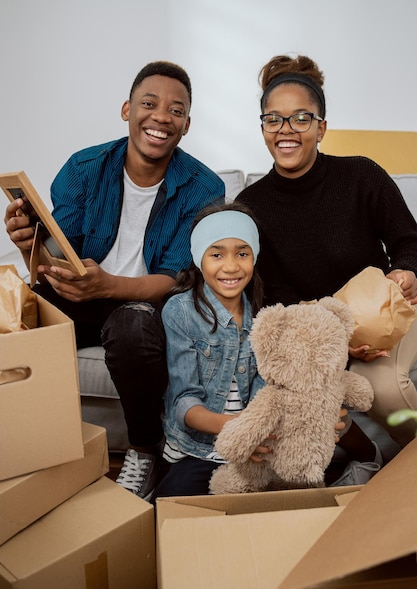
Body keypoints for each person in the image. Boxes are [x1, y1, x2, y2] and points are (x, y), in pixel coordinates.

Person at [4, 61, 225, 501]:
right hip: (81, 292)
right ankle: (22, 441)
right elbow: (58, 248)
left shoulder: (204, 187)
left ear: (186, 125)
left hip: (148, 307)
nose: (161, 116)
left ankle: (144, 451)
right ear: (127, 110)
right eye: (149, 103)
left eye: (175, 110)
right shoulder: (84, 168)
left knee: (131, 323)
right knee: (12, 308)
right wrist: (30, 240)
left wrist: (108, 287)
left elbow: (176, 278)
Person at [236, 53, 417, 448]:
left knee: (383, 390)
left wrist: (407, 272)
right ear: (263, 127)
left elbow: (409, 241)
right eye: (274, 119)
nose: (287, 130)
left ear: (321, 128)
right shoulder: (251, 206)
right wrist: (332, 337)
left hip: (383, 316)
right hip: (313, 333)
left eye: (301, 118)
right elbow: (272, 296)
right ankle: (361, 463)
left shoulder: (361, 175)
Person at [151, 203, 268, 499]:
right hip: (198, 448)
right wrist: (237, 429)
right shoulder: (179, 311)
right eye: (216, 254)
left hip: (250, 444)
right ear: (198, 259)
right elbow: (184, 401)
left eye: (242, 253)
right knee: (172, 504)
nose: (230, 266)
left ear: (254, 256)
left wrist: (254, 432)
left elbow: (263, 389)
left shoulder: (264, 315)